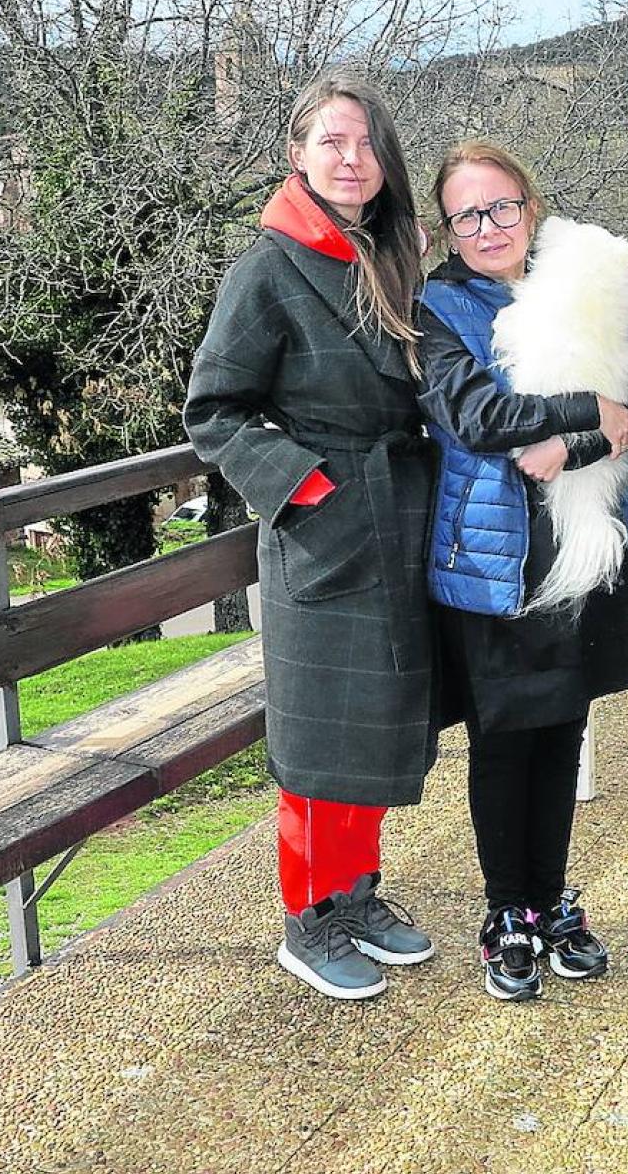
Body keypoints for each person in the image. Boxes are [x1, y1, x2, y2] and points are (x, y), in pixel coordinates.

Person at [184, 73, 438, 1002]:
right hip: (324, 531)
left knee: (370, 727)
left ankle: (357, 891)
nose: (351, 159)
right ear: (297, 154)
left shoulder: (386, 251)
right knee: (314, 739)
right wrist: (310, 490)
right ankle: (307, 917)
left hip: (396, 519)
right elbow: (214, 411)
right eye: (332, 142)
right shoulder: (268, 267)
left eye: (365, 144)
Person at [417, 141, 628, 1002]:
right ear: (449, 229)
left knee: (560, 736)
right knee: (505, 740)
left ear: (530, 206)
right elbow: (475, 415)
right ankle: (506, 907)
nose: (488, 227)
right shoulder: (437, 308)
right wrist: (585, 409)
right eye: (468, 214)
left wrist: (573, 437)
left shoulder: (577, 286)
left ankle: (548, 901)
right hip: (494, 560)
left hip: (578, 552)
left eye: (502, 206)